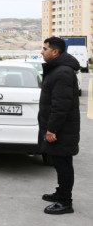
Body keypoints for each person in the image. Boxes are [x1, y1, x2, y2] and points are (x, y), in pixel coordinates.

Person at [38, 37, 81, 215]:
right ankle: (61, 193)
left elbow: (61, 105)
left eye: (45, 49)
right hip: (59, 128)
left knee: (63, 165)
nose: (42, 52)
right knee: (59, 162)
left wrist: (52, 129)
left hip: (62, 130)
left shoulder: (62, 72)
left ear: (55, 52)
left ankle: (65, 202)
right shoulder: (58, 69)